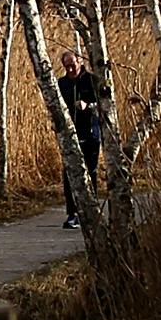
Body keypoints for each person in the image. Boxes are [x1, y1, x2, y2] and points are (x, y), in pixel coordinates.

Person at [56, 49, 109, 228]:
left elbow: (105, 104)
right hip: (70, 135)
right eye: (66, 67)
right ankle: (72, 214)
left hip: (90, 133)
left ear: (79, 61)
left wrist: (89, 105)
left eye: (72, 65)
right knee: (70, 173)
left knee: (90, 172)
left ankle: (90, 212)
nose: (70, 70)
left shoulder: (92, 80)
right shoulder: (61, 84)